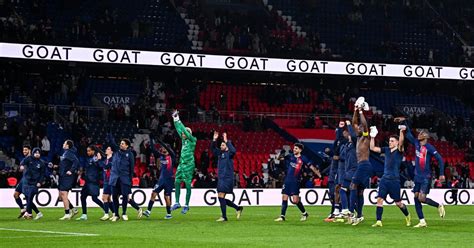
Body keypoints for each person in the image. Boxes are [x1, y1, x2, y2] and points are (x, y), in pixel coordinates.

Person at [397, 117, 445, 228]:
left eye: (421, 134)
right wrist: (403, 121)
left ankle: (439, 205)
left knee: (422, 198)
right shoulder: (416, 144)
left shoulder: (429, 147)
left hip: (425, 177)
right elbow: (408, 133)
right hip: (417, 176)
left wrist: (441, 173)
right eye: (419, 133)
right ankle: (422, 221)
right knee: (416, 197)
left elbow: (440, 159)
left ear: (426, 137)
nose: (419, 135)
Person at [369, 126, 411, 227]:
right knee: (379, 199)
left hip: (394, 181)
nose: (390, 142)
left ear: (397, 142)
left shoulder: (400, 150)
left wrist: (401, 131)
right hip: (384, 179)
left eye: (392, 141)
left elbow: (401, 142)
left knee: (398, 203)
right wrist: (372, 137)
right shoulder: (386, 150)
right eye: (389, 141)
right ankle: (379, 221)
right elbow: (372, 148)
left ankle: (408, 215)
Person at [275, 143, 321, 222]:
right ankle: (282, 216)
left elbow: (311, 167)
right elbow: (278, 158)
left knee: (295, 200)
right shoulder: (290, 156)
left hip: (295, 181)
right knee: (284, 197)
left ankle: (305, 213)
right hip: (287, 180)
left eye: (296, 148)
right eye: (294, 148)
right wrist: (281, 153)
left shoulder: (303, 158)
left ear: (300, 150)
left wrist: (319, 174)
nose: (294, 149)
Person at [348, 97, 371, 225]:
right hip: (362, 165)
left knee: (352, 186)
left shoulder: (366, 137)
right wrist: (356, 110)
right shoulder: (359, 137)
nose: (358, 129)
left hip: (364, 165)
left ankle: (351, 212)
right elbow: (354, 124)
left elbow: (364, 125)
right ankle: (360, 215)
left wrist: (361, 112)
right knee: (360, 191)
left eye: (360, 128)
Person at [211, 131, 243, 222]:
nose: (221, 147)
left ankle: (224, 217)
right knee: (221, 197)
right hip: (221, 178)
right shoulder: (220, 154)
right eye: (221, 145)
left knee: (221, 196)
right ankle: (237, 208)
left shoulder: (229, 154)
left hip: (227, 178)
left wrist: (226, 140)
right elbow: (212, 149)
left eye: (223, 145)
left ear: (227, 147)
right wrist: (214, 139)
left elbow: (234, 150)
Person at [170, 110, 197, 214]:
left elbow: (184, 131)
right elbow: (179, 129)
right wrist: (175, 119)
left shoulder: (193, 140)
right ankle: (177, 202)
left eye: (185, 132)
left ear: (189, 133)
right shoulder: (183, 140)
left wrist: (179, 120)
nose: (183, 133)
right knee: (177, 181)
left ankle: (186, 204)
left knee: (187, 183)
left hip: (189, 164)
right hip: (181, 164)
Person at [143, 136, 176, 219]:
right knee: (153, 193)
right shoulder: (161, 156)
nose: (163, 149)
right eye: (162, 148)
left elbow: (169, 150)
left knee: (166, 197)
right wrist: (151, 139)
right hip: (161, 179)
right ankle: (148, 211)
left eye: (164, 148)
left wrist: (161, 142)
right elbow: (153, 150)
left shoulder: (172, 156)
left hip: (169, 180)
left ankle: (169, 214)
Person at [107, 134, 135, 221]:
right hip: (114, 178)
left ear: (127, 145)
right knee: (114, 196)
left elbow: (131, 168)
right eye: (121, 143)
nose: (121, 144)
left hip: (124, 178)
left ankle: (124, 213)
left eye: (123, 143)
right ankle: (116, 214)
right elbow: (112, 142)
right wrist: (109, 133)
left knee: (125, 196)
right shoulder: (116, 151)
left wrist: (130, 180)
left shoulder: (130, 154)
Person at [76, 145, 106, 221]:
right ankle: (84, 215)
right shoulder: (89, 159)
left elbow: (101, 167)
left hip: (93, 181)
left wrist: (99, 160)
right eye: (87, 151)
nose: (88, 152)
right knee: (83, 196)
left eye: (89, 151)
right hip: (88, 181)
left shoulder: (98, 158)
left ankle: (106, 210)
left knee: (94, 198)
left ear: (93, 151)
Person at [21, 148, 47, 220]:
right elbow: (22, 162)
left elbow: (42, 174)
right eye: (36, 153)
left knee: (30, 198)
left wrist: (40, 182)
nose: (37, 154)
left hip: (35, 183)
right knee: (28, 199)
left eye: (38, 153)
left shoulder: (42, 163)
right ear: (33, 153)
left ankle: (28, 213)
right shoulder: (28, 159)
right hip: (27, 182)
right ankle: (38, 213)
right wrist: (22, 166)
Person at [339, 120, 358, 219]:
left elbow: (354, 136)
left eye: (350, 134)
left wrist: (349, 125)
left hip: (353, 171)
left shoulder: (356, 144)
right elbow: (341, 156)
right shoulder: (347, 145)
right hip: (348, 171)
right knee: (349, 192)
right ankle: (354, 213)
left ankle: (346, 209)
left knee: (343, 190)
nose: (349, 136)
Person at [58, 140, 80, 220]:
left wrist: (71, 170)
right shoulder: (65, 153)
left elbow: (76, 161)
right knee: (61, 196)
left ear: (67, 146)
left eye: (64, 143)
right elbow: (65, 164)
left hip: (67, 177)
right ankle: (73, 209)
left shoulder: (69, 153)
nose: (63, 144)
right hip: (63, 176)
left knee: (64, 194)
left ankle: (67, 213)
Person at [13, 145, 30, 218]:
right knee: (15, 194)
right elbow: (21, 168)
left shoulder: (31, 159)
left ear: (29, 150)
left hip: (28, 180)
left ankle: (30, 213)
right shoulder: (24, 159)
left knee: (28, 197)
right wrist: (20, 168)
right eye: (23, 150)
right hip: (23, 179)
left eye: (26, 150)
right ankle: (23, 209)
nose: (24, 151)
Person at [99, 146, 115, 220]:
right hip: (106, 180)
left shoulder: (112, 160)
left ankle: (106, 214)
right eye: (106, 148)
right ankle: (115, 213)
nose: (106, 150)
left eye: (108, 149)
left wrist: (99, 159)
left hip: (110, 181)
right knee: (108, 199)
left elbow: (105, 167)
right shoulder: (106, 159)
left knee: (104, 197)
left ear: (111, 152)